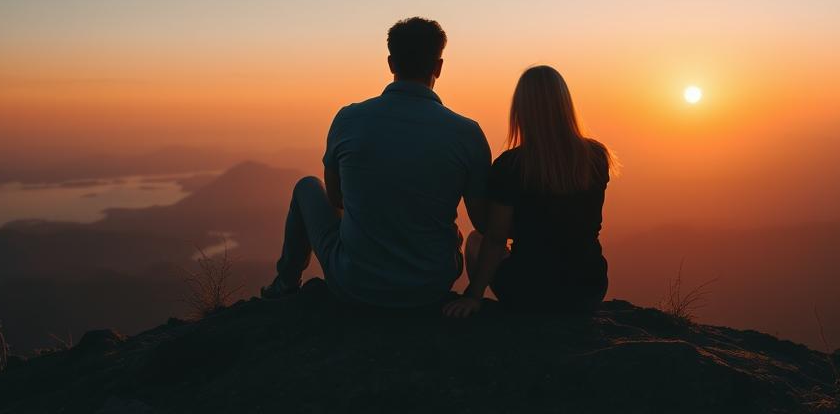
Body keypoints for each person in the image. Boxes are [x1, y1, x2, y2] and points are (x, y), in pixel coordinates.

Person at [261, 17, 492, 307]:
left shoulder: (348, 119)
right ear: (439, 67)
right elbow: (483, 221)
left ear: (391, 63)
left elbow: (336, 199)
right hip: (430, 286)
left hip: (354, 284)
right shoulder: (467, 133)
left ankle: (285, 283)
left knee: (307, 187)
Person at [443, 65, 614, 317]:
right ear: (564, 105)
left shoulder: (511, 166)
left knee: (476, 240)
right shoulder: (596, 156)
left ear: (521, 110)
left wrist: (473, 295)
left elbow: (496, 237)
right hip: (589, 288)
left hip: (530, 292)